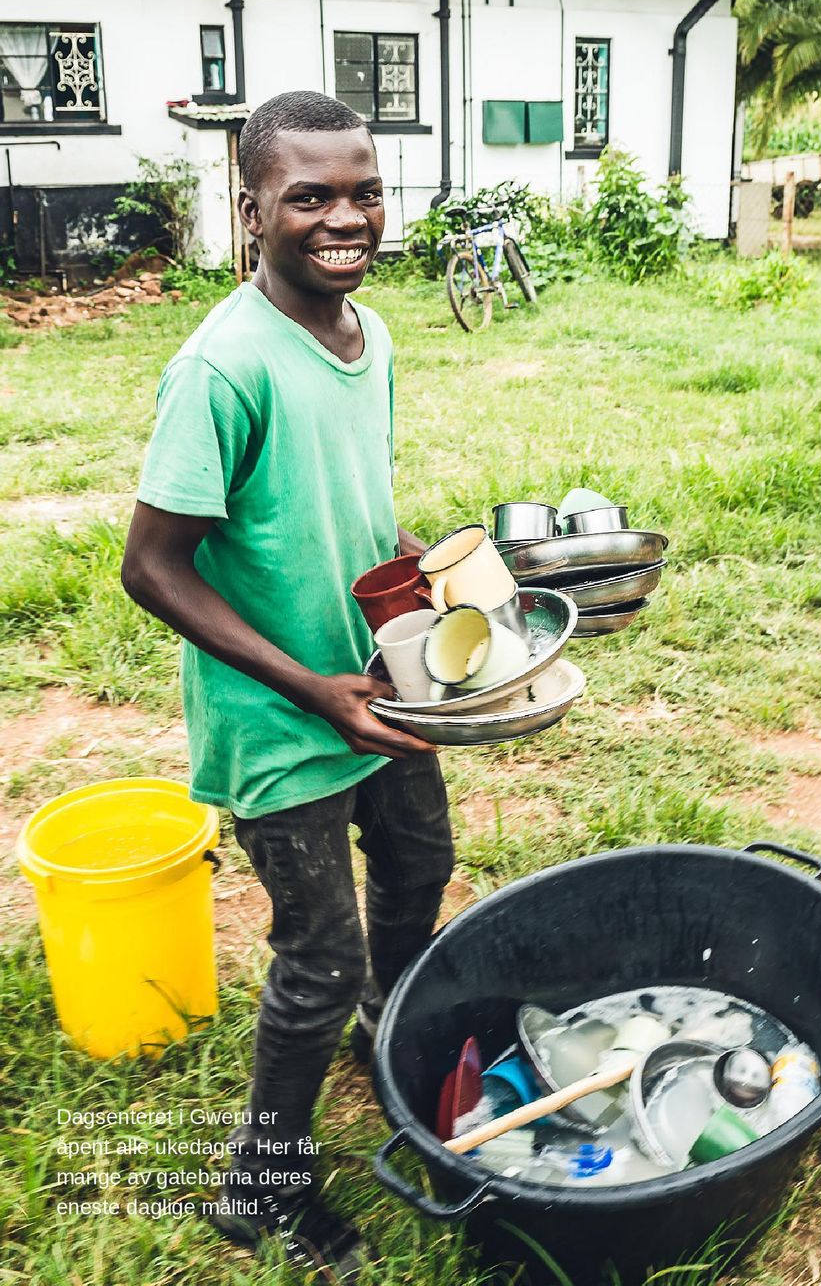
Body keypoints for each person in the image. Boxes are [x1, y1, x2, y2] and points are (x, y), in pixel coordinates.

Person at [121, 90, 455, 1282]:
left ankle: (391, 1034)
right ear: (252, 207)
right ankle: (259, 1189)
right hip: (280, 718)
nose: (345, 217)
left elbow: (350, 498)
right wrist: (314, 690)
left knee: (419, 867)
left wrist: (424, 580)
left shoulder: (372, 333)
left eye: (364, 190)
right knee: (319, 954)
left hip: (381, 686)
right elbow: (149, 568)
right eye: (310, 196)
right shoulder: (219, 366)